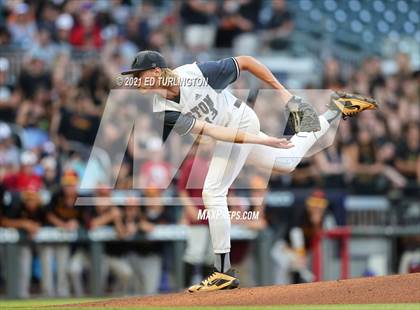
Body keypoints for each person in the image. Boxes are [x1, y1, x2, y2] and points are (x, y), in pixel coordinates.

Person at [120, 50, 377, 292]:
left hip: (240, 119)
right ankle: (337, 109)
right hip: (231, 133)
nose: (135, 81)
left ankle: (222, 271)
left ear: (155, 71)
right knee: (287, 161)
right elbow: (211, 131)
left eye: (138, 75)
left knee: (212, 191)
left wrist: (283, 93)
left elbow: (245, 61)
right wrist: (259, 140)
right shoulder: (162, 107)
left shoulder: (194, 74)